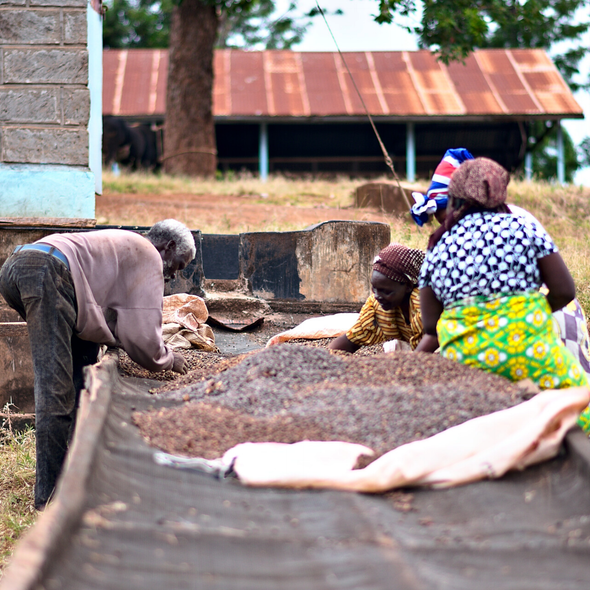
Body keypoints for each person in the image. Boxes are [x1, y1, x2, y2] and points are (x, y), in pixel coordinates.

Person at [0, 219, 195, 509]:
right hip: (47, 273)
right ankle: (50, 500)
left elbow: (107, 318)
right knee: (56, 390)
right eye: (177, 266)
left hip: (19, 268)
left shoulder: (128, 245)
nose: (172, 276)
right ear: (167, 248)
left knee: (82, 374)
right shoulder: (149, 256)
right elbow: (143, 339)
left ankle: (74, 472)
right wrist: (169, 359)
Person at [417, 157, 590, 432]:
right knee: (580, 401)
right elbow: (564, 291)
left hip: (464, 362)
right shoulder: (524, 227)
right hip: (528, 349)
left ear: (454, 199)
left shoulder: (439, 244)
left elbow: (430, 325)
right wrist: (525, 312)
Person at [329, 243, 426, 353]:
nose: (377, 296)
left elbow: (425, 352)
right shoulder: (376, 306)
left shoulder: (423, 303)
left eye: (386, 291)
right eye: (374, 289)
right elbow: (351, 340)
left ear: (408, 286)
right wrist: (326, 360)